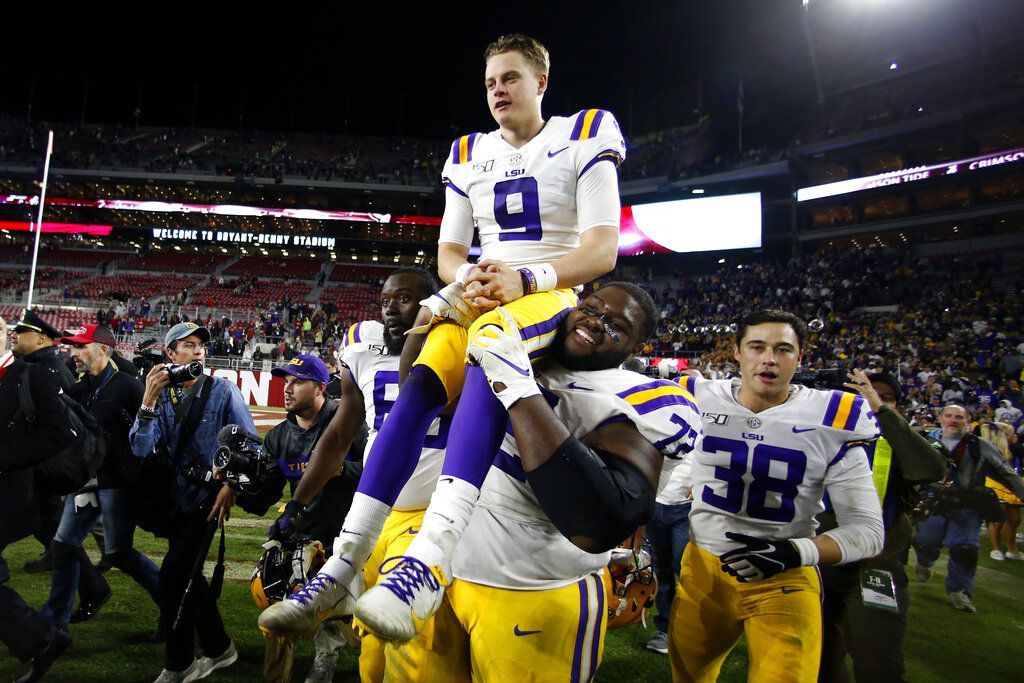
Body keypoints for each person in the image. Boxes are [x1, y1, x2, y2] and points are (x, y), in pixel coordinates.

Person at [261, 31, 627, 644]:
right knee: (417, 391)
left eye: (510, 77)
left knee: (491, 347)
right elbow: (451, 250)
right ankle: (345, 564)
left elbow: (602, 248)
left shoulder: (584, 132)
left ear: (541, 81)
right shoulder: (468, 152)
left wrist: (522, 277)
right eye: (489, 82)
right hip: (485, 291)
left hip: (549, 291)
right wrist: (470, 279)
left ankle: (426, 562)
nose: (497, 90)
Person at [383, 282, 701, 681]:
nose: (595, 322)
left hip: (536, 590)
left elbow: (603, 520)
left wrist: (518, 388)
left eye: (616, 325)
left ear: (635, 348)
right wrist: (438, 313)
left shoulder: (641, 395)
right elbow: (428, 396)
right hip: (443, 577)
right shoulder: (529, 349)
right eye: (592, 308)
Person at [670, 310, 885, 683]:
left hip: (785, 578)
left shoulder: (834, 415)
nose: (769, 358)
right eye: (757, 347)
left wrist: (795, 552)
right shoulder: (695, 396)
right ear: (736, 352)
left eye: (783, 349)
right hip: (704, 568)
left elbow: (868, 530)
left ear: (800, 357)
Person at [261, 268, 452, 683]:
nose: (390, 310)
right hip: (379, 509)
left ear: (430, 301)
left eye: (404, 299)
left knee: (413, 647)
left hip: (433, 507)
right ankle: (336, 582)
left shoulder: (456, 343)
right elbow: (338, 435)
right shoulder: (360, 350)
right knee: (372, 650)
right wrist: (296, 504)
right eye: (385, 301)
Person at [130, 321, 256, 682]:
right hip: (172, 501)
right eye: (187, 345)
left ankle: (179, 662)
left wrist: (231, 485)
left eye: (200, 344)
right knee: (188, 575)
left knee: (172, 576)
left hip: (207, 497)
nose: (198, 350)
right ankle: (219, 648)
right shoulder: (159, 394)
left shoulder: (222, 390)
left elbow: (249, 445)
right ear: (170, 354)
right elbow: (140, 447)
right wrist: (148, 399)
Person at [816, 370, 947, 683]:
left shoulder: (901, 440)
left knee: (877, 658)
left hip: (875, 565)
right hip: (823, 560)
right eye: (863, 393)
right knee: (818, 657)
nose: (870, 398)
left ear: (896, 407)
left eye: (885, 396)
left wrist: (878, 409)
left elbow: (931, 468)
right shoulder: (825, 434)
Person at [41, 324, 161, 632]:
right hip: (88, 482)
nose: (75, 352)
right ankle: (54, 623)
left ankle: (174, 604)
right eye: (74, 347)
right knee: (64, 545)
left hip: (117, 484)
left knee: (119, 552)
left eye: (81, 347)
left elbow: (152, 431)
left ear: (103, 350)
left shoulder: (127, 385)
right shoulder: (83, 386)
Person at [255, 353, 365, 683]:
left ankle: (331, 657)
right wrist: (234, 486)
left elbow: (380, 470)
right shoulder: (277, 437)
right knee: (278, 606)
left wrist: (344, 469)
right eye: (285, 382)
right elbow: (266, 493)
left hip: (354, 533)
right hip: (304, 534)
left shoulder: (349, 420)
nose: (287, 389)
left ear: (320, 388)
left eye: (297, 382)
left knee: (360, 619)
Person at [0, 310, 74, 682]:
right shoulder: (24, 369)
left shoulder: (40, 372)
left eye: (19, 331)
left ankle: (42, 638)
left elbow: (57, 433)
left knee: (66, 542)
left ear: (42, 338)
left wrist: (7, 458)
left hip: (17, 487)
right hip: (16, 485)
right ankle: (41, 637)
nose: (14, 335)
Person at [913, 404, 1024, 612]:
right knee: (925, 542)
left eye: (959, 417)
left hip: (967, 506)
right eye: (948, 416)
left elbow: (1005, 471)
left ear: (968, 420)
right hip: (933, 503)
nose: (953, 420)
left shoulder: (978, 445)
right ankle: (924, 561)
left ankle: (960, 591)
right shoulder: (925, 440)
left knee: (965, 549)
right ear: (940, 418)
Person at [982, 421, 1023, 561]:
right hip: (996, 484)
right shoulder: (991, 450)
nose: (1015, 435)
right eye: (1012, 433)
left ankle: (1012, 549)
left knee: (1015, 519)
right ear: (1004, 435)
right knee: (998, 519)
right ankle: (996, 549)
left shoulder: (1015, 448)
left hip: (1013, 486)